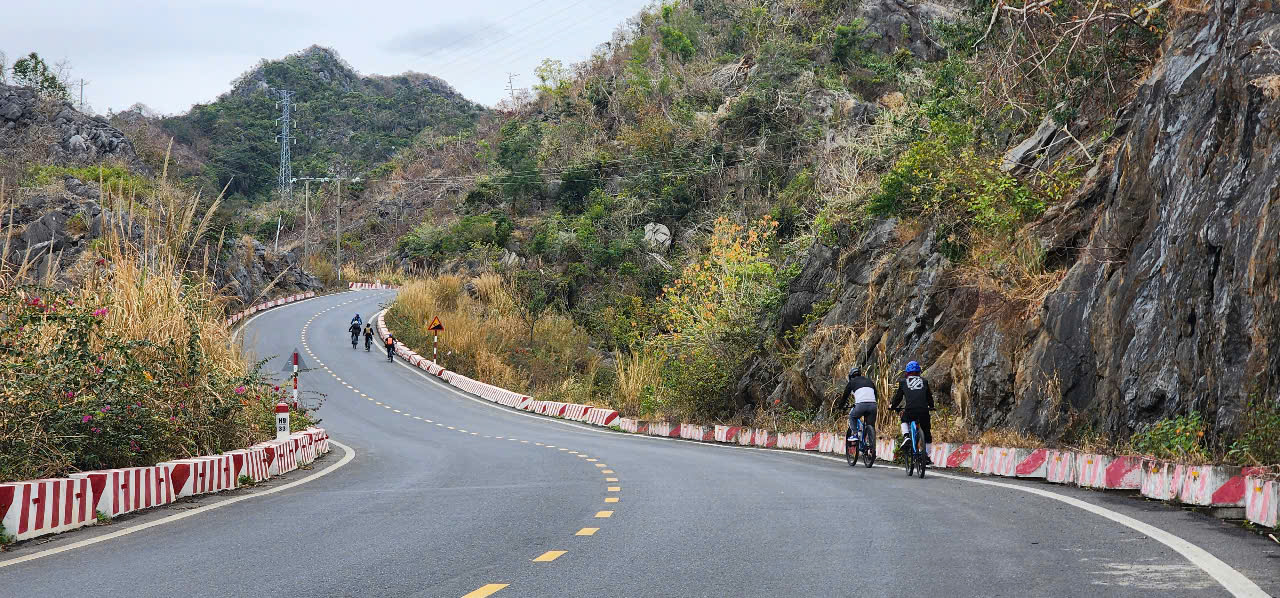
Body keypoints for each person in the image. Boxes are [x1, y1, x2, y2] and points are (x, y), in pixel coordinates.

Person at [890, 360, 934, 463]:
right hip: (924, 411)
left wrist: (893, 406)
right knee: (927, 432)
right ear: (919, 372)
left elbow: (898, 398)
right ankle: (926, 455)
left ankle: (906, 437)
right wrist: (931, 406)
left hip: (910, 410)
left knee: (904, 419)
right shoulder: (924, 381)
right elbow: (929, 397)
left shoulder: (903, 382)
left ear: (907, 372)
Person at [835, 366, 877, 446]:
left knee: (852, 416)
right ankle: (871, 446)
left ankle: (854, 434)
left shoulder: (852, 382)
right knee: (870, 425)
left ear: (851, 376)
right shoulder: (869, 381)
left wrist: (840, 407)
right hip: (873, 405)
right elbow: (875, 394)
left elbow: (845, 397)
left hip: (861, 405)